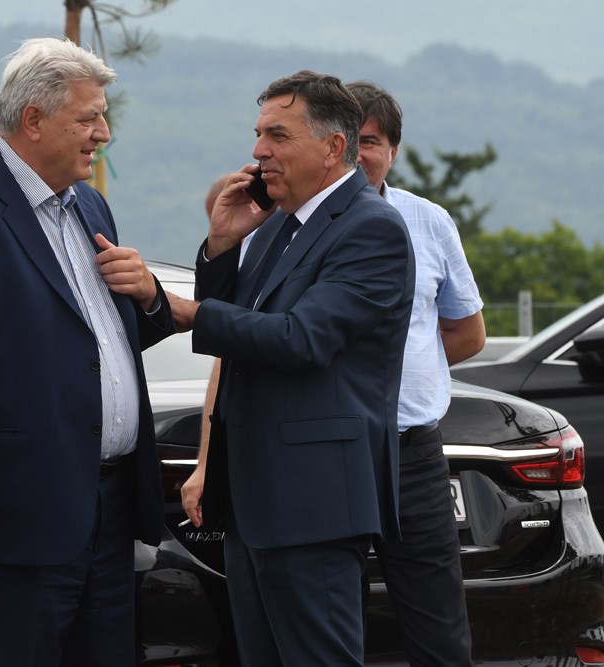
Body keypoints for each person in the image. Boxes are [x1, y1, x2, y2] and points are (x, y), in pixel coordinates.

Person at [0, 37, 175, 666]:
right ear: (33, 120)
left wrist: (151, 297)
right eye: (88, 118)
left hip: (107, 512)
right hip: (12, 519)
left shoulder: (89, 204)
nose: (103, 133)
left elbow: (98, 341)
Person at [170, 70, 415, 666]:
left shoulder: (372, 228)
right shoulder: (279, 223)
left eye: (278, 135)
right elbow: (237, 335)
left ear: (334, 147)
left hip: (314, 505)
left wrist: (184, 309)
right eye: (259, 134)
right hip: (254, 501)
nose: (259, 151)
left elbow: (302, 339)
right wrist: (222, 244)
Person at [347, 79, 484, 666]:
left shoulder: (428, 222)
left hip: (413, 454)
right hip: (330, 450)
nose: (358, 153)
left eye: (370, 141)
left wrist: (402, 372)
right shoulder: (287, 224)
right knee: (333, 623)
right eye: (346, 139)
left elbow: (468, 332)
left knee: (439, 626)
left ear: (393, 151)